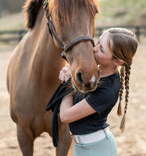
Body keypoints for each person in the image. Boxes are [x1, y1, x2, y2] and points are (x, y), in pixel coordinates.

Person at [59, 27, 138, 156]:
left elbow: (66, 116)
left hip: (97, 150)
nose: (94, 48)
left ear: (118, 61)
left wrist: (68, 83)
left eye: (101, 49)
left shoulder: (108, 90)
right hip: (80, 147)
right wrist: (70, 73)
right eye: (98, 42)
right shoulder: (94, 72)